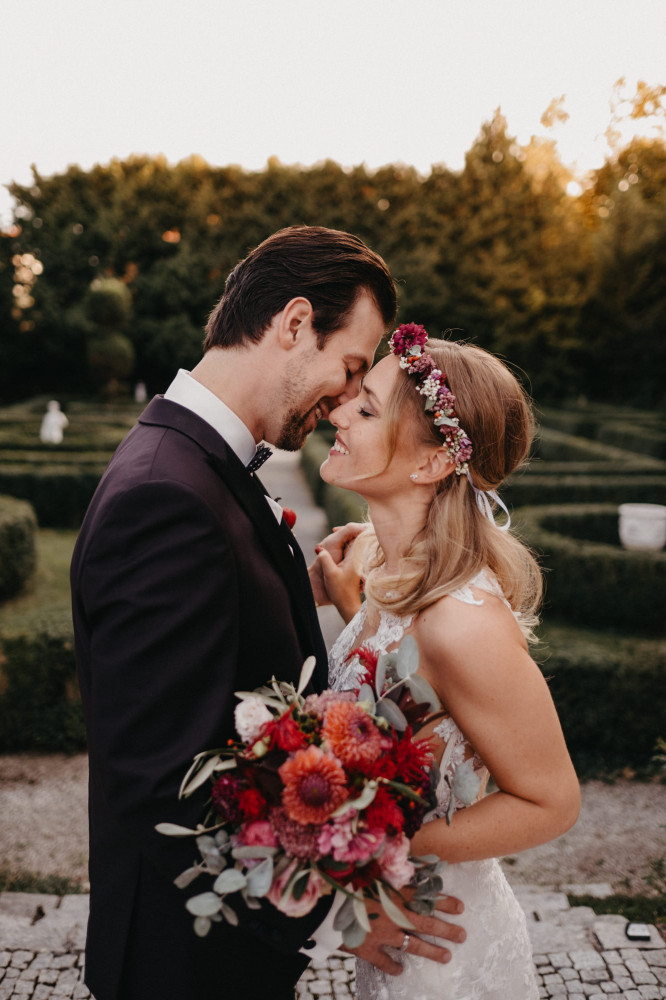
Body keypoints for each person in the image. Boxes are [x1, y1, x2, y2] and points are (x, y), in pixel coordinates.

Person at [70, 231, 465, 1000]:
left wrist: (304, 586)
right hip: (183, 964)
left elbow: (209, 624)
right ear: (292, 324)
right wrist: (344, 902)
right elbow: (162, 778)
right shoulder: (166, 495)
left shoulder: (197, 464)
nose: (349, 398)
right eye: (351, 367)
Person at [313, 325, 581, 1000]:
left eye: (366, 408)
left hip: (444, 947)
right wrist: (355, 613)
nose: (337, 412)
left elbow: (552, 801)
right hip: (394, 927)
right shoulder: (380, 565)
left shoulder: (465, 626)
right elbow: (419, 695)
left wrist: (385, 845)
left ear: (433, 464)